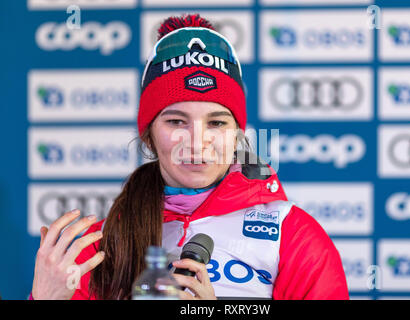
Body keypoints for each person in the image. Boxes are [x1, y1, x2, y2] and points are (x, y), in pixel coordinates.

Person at [30, 14, 349, 300]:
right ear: (149, 135)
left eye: (216, 122)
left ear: (237, 132)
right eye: (176, 121)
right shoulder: (97, 248)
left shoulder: (292, 235)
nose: (197, 141)